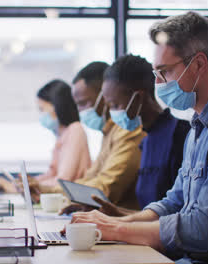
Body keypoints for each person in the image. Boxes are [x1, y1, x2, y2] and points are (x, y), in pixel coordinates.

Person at [67, 11, 208, 263]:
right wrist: (115, 221)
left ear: (198, 64)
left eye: (165, 72)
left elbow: (205, 229)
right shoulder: (199, 125)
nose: (159, 83)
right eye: (156, 74)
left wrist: (116, 229)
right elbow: (174, 201)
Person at [88, 54, 190, 216]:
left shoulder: (180, 135)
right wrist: (111, 214)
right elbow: (149, 213)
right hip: (147, 236)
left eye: (115, 105)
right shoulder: (146, 140)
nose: (112, 112)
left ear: (139, 97)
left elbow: (178, 214)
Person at [42, 62, 146, 211]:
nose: (80, 111)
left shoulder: (128, 130)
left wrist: (48, 191)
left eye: (83, 103)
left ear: (104, 97)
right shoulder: (109, 131)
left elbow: (104, 188)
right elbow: (91, 178)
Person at [0, 79, 91, 193]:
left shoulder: (75, 130)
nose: (41, 115)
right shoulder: (61, 134)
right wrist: (28, 183)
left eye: (42, 109)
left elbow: (63, 181)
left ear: (57, 106)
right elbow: (52, 174)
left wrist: (17, 187)